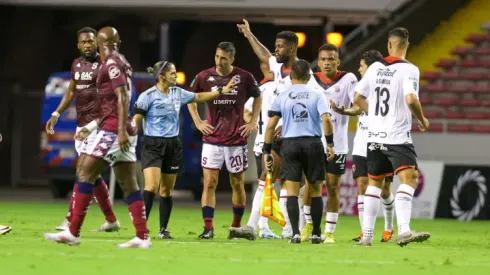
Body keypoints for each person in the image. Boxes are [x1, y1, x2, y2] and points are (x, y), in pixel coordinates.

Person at [44, 27, 150, 248]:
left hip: (113, 129)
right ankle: (142, 236)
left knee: (85, 171)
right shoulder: (122, 61)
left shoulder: (110, 63)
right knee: (129, 183)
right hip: (117, 127)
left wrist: (119, 129)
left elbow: (122, 96)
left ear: (100, 44)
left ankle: (73, 231)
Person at [237, 19, 325, 238]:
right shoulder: (277, 66)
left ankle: (299, 228)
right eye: (276, 45)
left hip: (297, 136)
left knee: (301, 185)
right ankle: (251, 226)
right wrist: (249, 34)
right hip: (278, 137)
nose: (276, 49)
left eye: (280, 46)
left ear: (292, 48)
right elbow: (263, 54)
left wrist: (285, 123)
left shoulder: (306, 77)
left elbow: (308, 102)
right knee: (267, 178)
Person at [133, 61, 237, 239]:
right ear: (161, 76)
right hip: (153, 145)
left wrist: (221, 91)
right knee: (151, 186)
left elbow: (198, 97)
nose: (175, 75)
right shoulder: (147, 96)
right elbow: (136, 120)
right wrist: (127, 133)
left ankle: (163, 230)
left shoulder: (178, 93)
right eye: (172, 73)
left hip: (173, 145)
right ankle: (141, 229)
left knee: (166, 191)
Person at [354, 27, 430, 246]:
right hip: (397, 136)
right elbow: (411, 99)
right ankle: (404, 230)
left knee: (374, 183)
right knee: (410, 179)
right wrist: (422, 119)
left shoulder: (375, 67)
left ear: (388, 45)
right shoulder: (410, 70)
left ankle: (367, 236)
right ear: (406, 45)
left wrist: (375, 115)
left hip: (374, 136)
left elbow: (358, 96)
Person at [45, 27, 120, 233]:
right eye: (84, 42)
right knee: (93, 175)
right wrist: (56, 113)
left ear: (97, 43)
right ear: (78, 45)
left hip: (98, 126)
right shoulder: (76, 65)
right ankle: (111, 220)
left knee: (83, 171)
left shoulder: (105, 66)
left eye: (91, 41)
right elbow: (71, 91)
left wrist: (95, 124)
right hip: (81, 125)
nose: (87, 45)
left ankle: (70, 221)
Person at [187, 42, 262, 239]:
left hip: (236, 140)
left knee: (237, 183)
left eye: (223, 58)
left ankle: (235, 227)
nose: (219, 61)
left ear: (232, 59)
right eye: (217, 56)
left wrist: (253, 121)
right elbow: (190, 97)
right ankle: (208, 228)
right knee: (209, 183)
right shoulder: (204, 76)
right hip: (212, 139)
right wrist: (198, 122)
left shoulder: (244, 77)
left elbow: (258, 96)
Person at [265, 59, 335, 244]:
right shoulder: (317, 94)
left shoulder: (283, 96)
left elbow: (271, 125)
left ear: (291, 76)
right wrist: (330, 143)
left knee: (291, 192)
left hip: (290, 145)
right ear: (309, 76)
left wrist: (266, 151)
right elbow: (326, 120)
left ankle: (295, 233)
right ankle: (316, 233)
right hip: (312, 143)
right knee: (316, 190)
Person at [330, 50, 396, 243]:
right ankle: (364, 231)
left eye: (362, 65)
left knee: (383, 189)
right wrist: (344, 111)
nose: (359, 69)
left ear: (371, 66)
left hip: (382, 141)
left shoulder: (388, 84)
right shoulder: (361, 86)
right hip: (361, 144)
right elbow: (357, 107)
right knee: (362, 185)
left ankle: (389, 227)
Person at [299, 44, 358, 243]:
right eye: (323, 59)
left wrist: (346, 111)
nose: (327, 62)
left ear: (338, 61)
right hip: (313, 141)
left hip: (338, 143)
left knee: (333, 187)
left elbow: (358, 105)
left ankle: (330, 232)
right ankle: (308, 225)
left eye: (331, 59)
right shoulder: (310, 80)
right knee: (311, 185)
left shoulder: (349, 79)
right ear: (319, 61)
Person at [234, 62, 281, 240]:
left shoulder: (260, 88)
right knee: (275, 183)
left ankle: (264, 226)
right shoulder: (276, 87)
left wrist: (252, 124)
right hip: (273, 143)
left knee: (268, 183)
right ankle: (260, 226)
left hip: (260, 143)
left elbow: (245, 112)